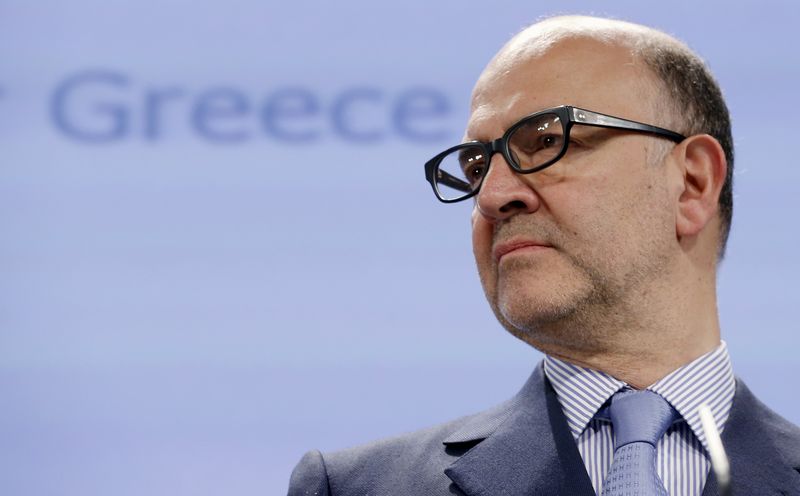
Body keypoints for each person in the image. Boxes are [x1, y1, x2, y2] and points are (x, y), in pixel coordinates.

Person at [287, 15, 800, 496]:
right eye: (474, 167)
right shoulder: (358, 487)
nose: (491, 196)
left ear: (692, 183)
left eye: (547, 140)